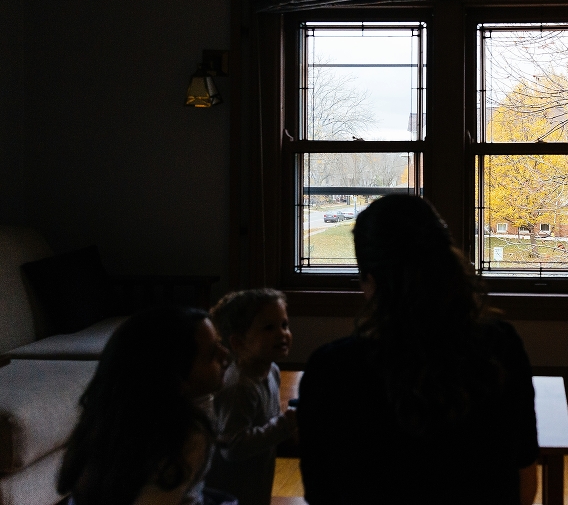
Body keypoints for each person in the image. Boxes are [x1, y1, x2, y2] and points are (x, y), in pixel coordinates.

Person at [298, 194, 540, 505]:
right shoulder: (500, 346)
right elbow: (523, 483)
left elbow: (321, 494)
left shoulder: (331, 371)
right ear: (449, 263)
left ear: (370, 280)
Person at [57, 306, 231, 505]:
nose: (226, 354)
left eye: (219, 343)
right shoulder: (187, 435)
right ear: (174, 379)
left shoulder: (111, 417)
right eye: (211, 354)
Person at [205, 289, 298, 505]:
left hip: (255, 481)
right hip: (230, 490)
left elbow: (265, 425)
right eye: (269, 328)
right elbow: (233, 447)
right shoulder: (239, 387)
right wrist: (284, 426)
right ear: (238, 342)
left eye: (284, 325)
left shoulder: (272, 370)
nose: (282, 333)